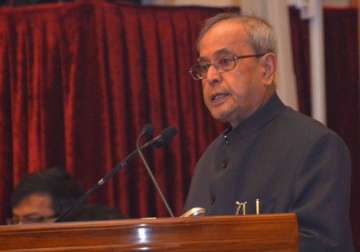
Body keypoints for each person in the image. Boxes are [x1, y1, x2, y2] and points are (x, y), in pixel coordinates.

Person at [185, 12, 353, 252]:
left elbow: (320, 245)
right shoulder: (208, 161)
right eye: (204, 66)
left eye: (225, 61)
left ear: (266, 68)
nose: (211, 76)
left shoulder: (316, 146)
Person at [9, 167, 124, 224]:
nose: (20, 228)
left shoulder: (108, 233)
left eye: (32, 219)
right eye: (15, 220)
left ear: (68, 217)